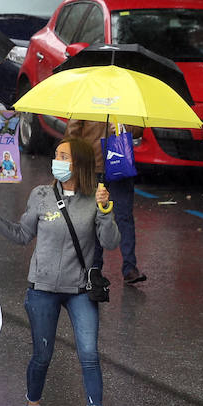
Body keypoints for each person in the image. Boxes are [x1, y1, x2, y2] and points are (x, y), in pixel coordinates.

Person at [0, 138, 119, 406]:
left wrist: (104, 210)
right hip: (43, 289)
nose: (56, 161)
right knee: (42, 355)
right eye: (57, 155)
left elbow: (111, 242)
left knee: (89, 354)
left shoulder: (94, 200)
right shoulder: (42, 196)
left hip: (79, 291)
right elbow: (21, 235)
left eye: (63, 156)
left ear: (79, 165)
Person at [65, 117, 144, 284]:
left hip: (119, 164)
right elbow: (72, 132)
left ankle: (130, 268)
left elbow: (139, 128)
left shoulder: (125, 97)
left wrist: (124, 126)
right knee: (93, 217)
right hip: (92, 166)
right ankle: (95, 268)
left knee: (124, 216)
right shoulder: (87, 97)